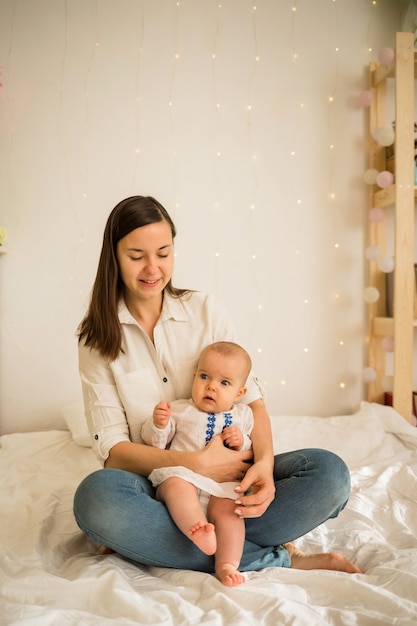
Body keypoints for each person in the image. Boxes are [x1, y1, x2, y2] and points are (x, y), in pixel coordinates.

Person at [73, 195, 362, 578]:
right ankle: (270, 556)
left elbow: (253, 399)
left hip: (232, 485)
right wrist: (192, 463)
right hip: (160, 490)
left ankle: (165, 542)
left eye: (163, 252)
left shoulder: (205, 310)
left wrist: (261, 464)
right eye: (136, 255)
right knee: (96, 499)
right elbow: (114, 452)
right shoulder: (96, 339)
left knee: (330, 473)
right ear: (113, 256)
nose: (152, 268)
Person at [142, 341, 257, 586]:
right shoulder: (181, 410)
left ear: (239, 393)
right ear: (194, 377)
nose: (211, 387)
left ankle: (226, 564)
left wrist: (241, 441)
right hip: (184, 477)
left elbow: (249, 450)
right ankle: (199, 528)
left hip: (221, 488)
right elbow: (157, 444)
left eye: (224, 382)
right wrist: (159, 424)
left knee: (231, 512)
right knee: (175, 486)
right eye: (204, 376)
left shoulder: (243, 416)